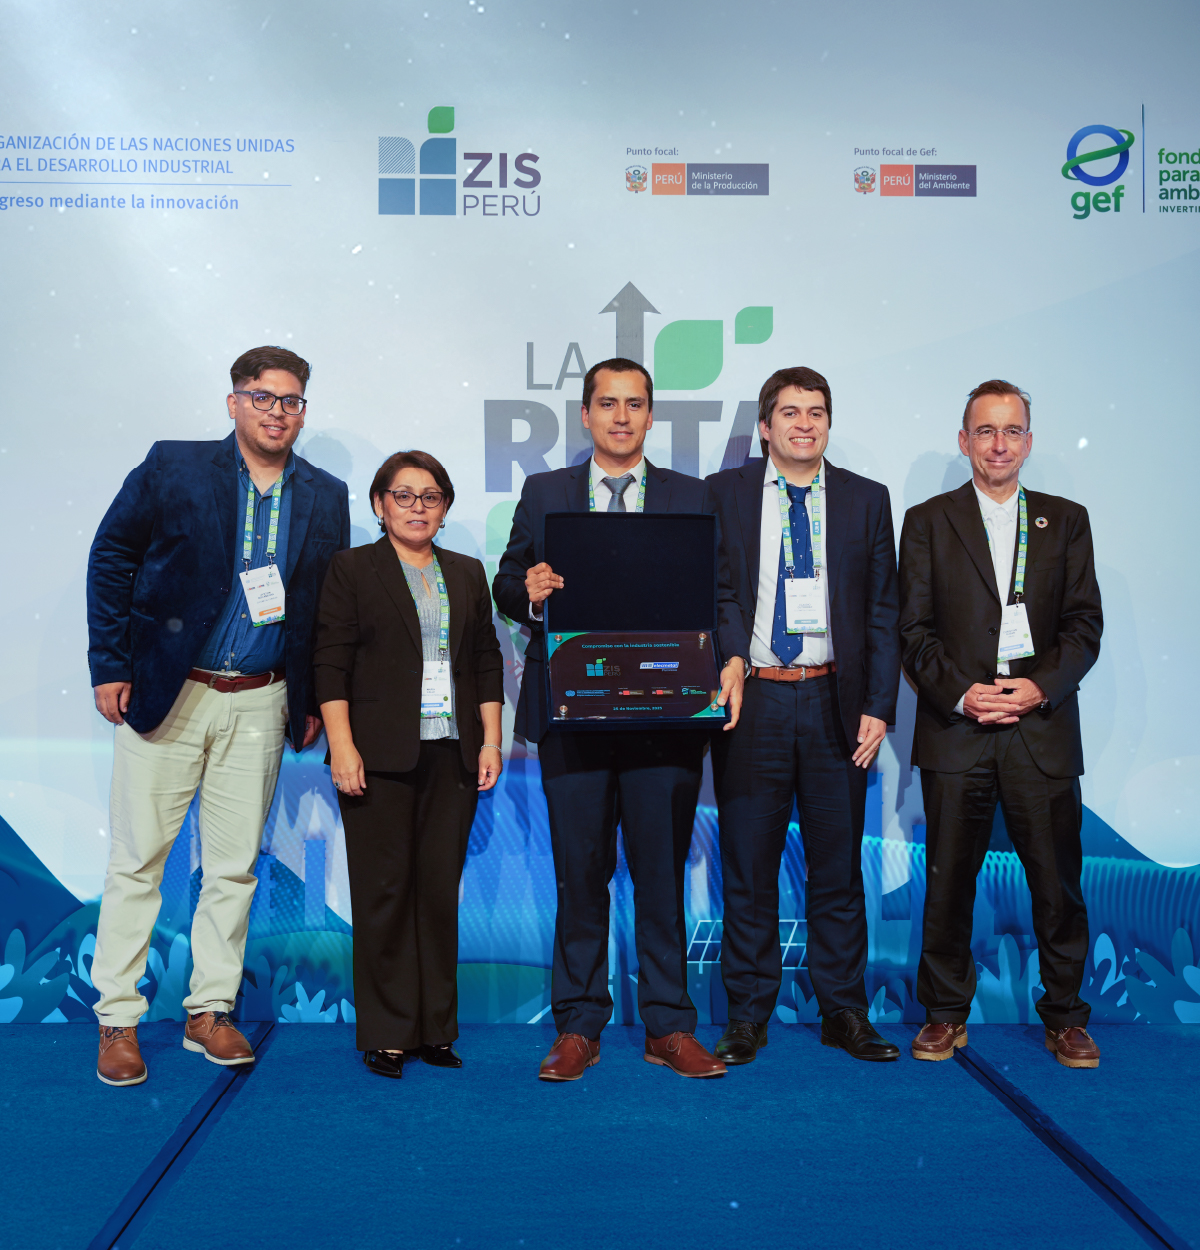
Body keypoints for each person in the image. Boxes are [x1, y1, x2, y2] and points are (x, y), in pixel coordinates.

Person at [86, 346, 350, 1086]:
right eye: (262, 396)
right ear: (233, 402)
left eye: (291, 400)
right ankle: (117, 1018)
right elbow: (112, 557)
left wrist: (308, 697)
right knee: (138, 860)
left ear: (303, 411)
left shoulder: (326, 494)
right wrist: (109, 663)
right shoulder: (173, 466)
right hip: (171, 691)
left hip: (263, 698)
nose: (277, 412)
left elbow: (323, 606)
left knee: (233, 867)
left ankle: (210, 1011)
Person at [493, 357, 743, 1081]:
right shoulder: (545, 492)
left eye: (635, 404)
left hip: (666, 712)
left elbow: (722, 592)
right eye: (608, 403)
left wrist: (732, 660)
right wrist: (531, 590)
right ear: (585, 415)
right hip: (572, 712)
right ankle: (578, 1026)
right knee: (581, 876)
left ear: (651, 416)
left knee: (661, 876)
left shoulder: (691, 495)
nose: (622, 416)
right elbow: (507, 582)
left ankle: (669, 1026)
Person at [899, 380, 1103, 1067]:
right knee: (948, 883)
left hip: (1040, 731)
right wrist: (963, 695)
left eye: (1012, 431)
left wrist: (1038, 687)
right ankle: (944, 1014)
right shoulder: (927, 521)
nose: (998, 444)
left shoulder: (1065, 521)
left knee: (1057, 885)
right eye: (985, 431)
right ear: (964, 441)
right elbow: (913, 632)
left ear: (1029, 442)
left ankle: (1066, 1016)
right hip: (958, 730)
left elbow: (1084, 625)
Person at [705, 366, 902, 1064]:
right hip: (753, 700)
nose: (804, 424)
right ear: (765, 426)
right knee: (748, 867)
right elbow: (716, 593)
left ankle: (844, 1010)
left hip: (835, 702)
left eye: (816, 411)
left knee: (837, 870)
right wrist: (732, 658)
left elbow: (883, 610)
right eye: (789, 412)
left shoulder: (865, 499)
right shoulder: (722, 494)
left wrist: (879, 705)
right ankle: (747, 1015)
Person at [314, 451, 503, 1079]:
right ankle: (389, 1032)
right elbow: (331, 661)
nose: (417, 507)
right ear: (379, 504)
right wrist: (342, 745)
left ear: (444, 508)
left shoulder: (467, 572)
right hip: (377, 756)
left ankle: (435, 1029)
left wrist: (491, 741)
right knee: (384, 893)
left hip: (453, 751)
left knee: (437, 893)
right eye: (403, 495)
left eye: (430, 496)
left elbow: (485, 661)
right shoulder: (352, 569)